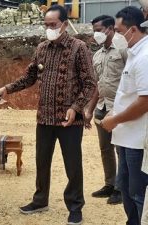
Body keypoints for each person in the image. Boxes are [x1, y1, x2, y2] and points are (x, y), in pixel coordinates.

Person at [0, 5, 96, 225]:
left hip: (69, 121)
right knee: (42, 162)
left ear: (65, 24)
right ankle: (40, 200)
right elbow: (29, 77)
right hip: (44, 118)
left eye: (53, 25)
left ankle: (75, 206)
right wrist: (7, 88)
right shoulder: (41, 49)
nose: (49, 29)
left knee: (73, 165)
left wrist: (76, 108)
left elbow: (89, 84)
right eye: (46, 25)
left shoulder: (79, 48)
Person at [101, 6, 148, 224]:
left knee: (138, 194)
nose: (116, 35)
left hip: (138, 140)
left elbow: (144, 102)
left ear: (133, 29)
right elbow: (129, 94)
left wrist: (114, 119)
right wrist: (115, 111)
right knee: (128, 190)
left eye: (119, 31)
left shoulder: (145, 56)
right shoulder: (134, 52)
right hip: (127, 137)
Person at [84, 15, 127, 205]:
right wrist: (90, 110)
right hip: (102, 107)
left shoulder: (123, 50)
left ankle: (120, 188)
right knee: (105, 149)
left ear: (110, 29)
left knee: (121, 150)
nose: (96, 34)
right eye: (94, 30)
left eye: (99, 30)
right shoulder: (97, 55)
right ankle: (109, 184)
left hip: (119, 109)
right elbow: (96, 85)